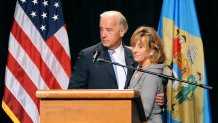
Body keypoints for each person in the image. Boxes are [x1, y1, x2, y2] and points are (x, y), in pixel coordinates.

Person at [68, 10, 164, 104]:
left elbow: (150, 85)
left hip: (131, 117)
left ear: (122, 31)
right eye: (101, 29)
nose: (103, 35)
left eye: (108, 30)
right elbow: (73, 93)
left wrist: (161, 99)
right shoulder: (88, 56)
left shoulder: (136, 56)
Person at [128, 26, 166, 123]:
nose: (135, 50)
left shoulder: (151, 74)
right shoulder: (140, 69)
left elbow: (144, 112)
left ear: (152, 51)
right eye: (133, 45)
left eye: (140, 46)